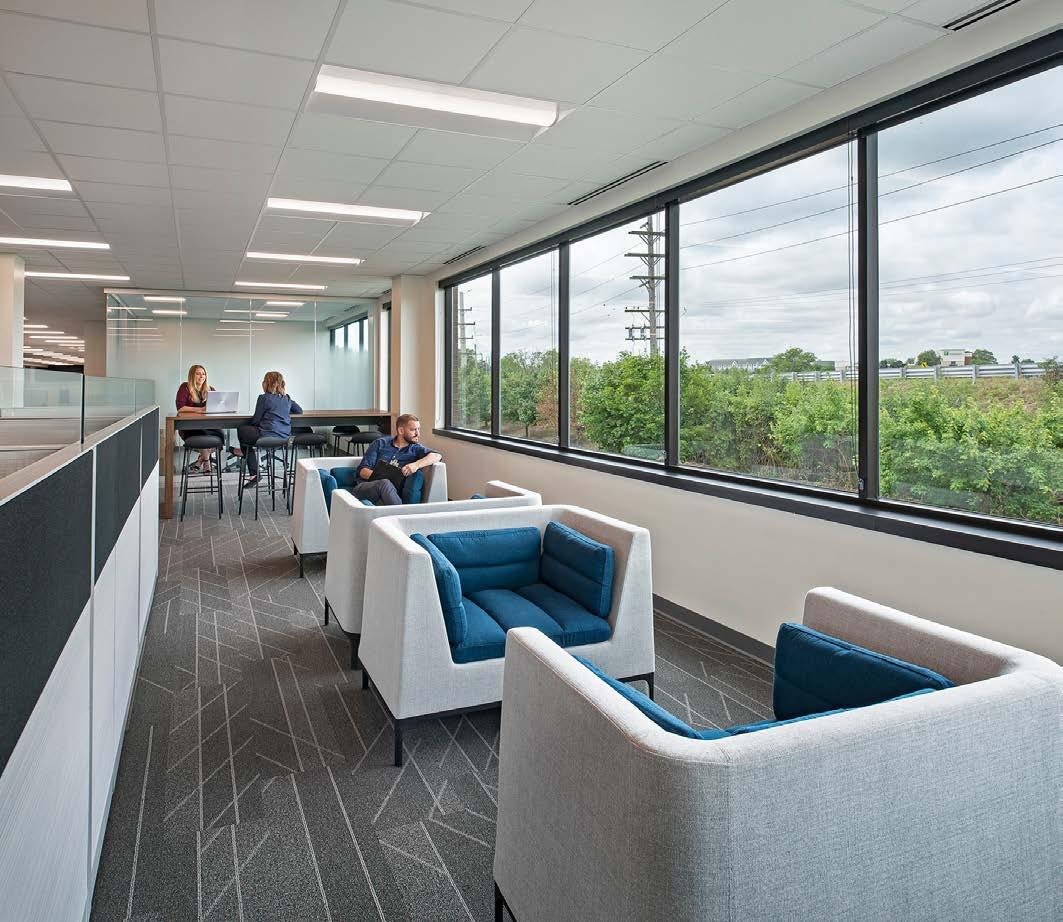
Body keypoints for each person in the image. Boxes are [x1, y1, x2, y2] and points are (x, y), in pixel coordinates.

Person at [354, 413, 442, 506]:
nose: (418, 434)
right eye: (413, 430)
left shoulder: (416, 449)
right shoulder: (380, 443)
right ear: (401, 430)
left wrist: (416, 465)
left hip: (391, 495)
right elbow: (363, 471)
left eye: (418, 429)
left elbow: (437, 455)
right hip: (366, 487)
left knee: (386, 486)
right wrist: (389, 477)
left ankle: (397, 511)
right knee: (385, 483)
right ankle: (402, 513)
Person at [238, 371, 303, 487]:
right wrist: (283, 411)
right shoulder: (287, 398)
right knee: (246, 439)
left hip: (266, 435)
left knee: (242, 431)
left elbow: (256, 420)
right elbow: (299, 411)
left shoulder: (263, 398)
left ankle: (253, 471)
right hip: (284, 437)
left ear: (267, 383)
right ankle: (244, 453)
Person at [175, 364, 237, 473]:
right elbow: (180, 408)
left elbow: (217, 406)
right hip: (190, 427)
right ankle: (207, 462)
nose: (201, 376)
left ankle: (201, 459)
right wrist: (200, 409)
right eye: (198, 374)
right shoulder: (185, 387)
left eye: (203, 374)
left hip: (208, 425)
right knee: (201, 433)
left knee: (221, 435)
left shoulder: (210, 389)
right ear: (192, 375)